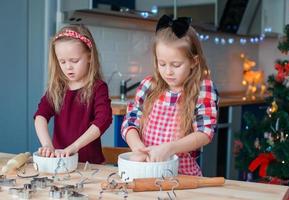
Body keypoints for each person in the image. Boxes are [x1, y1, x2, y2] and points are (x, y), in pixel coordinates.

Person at [121, 15, 219, 175]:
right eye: (162, 64)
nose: (168, 71)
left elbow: (204, 133)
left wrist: (169, 148)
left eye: (176, 65)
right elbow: (131, 120)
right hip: (147, 172)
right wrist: (136, 145)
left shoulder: (202, 89)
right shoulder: (148, 86)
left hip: (183, 176)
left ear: (194, 61)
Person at [34, 25, 112, 164]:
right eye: (62, 61)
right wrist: (47, 144)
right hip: (60, 162)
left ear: (89, 56)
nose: (68, 66)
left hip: (90, 165)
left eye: (74, 61)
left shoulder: (98, 88)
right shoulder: (58, 88)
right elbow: (40, 116)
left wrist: (73, 147)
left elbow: (103, 120)